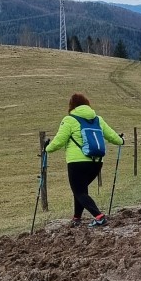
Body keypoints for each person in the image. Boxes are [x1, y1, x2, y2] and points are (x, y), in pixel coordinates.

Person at [44, 93, 124, 228]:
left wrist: (47, 148)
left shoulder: (69, 119)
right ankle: (77, 218)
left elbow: (59, 141)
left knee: (79, 191)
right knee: (81, 190)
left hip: (77, 163)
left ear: (72, 105)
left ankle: (99, 217)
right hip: (97, 162)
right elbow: (112, 136)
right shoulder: (98, 119)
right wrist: (121, 140)